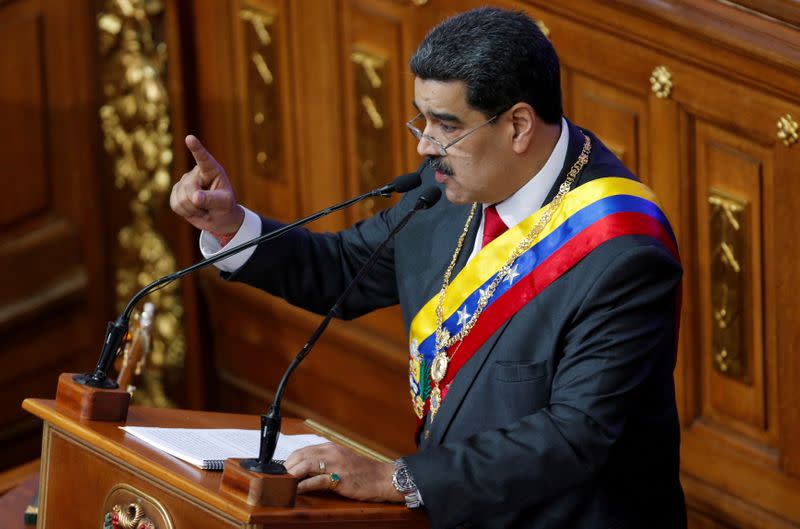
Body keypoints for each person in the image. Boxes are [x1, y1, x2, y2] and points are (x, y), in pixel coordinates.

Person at [170, 7, 686, 529]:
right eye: (423, 118)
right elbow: (344, 268)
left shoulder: (623, 252)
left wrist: (395, 479)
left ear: (519, 126)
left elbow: (573, 436)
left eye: (446, 125)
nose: (424, 145)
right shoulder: (449, 188)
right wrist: (232, 227)